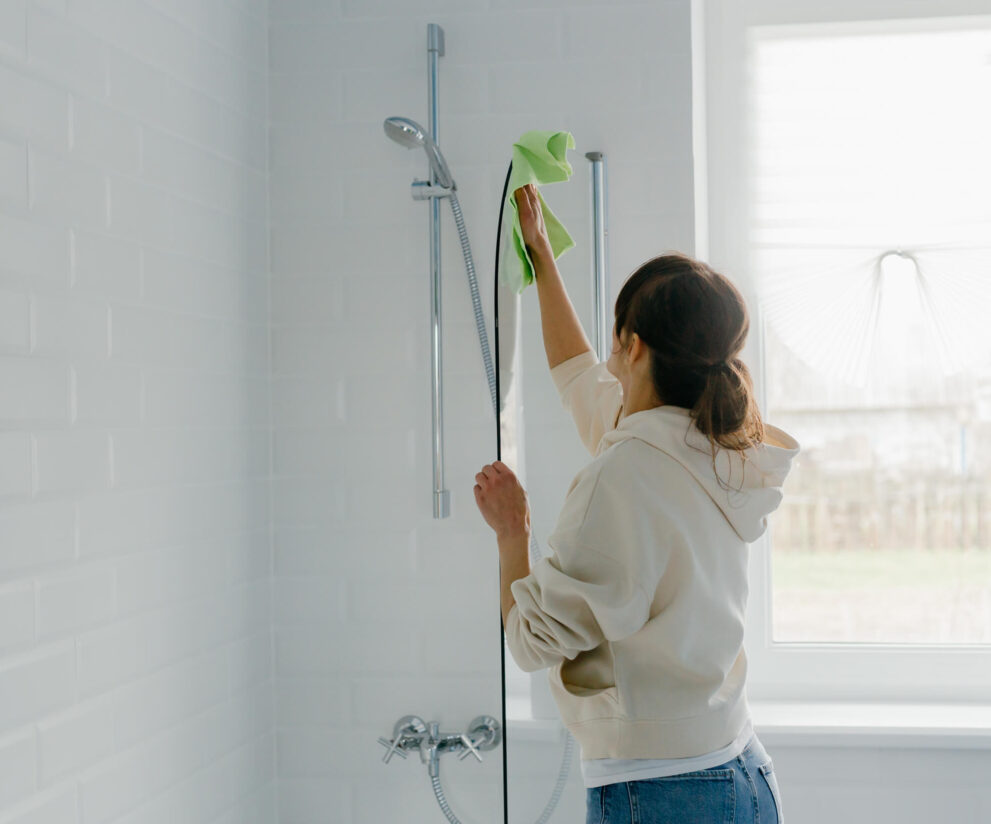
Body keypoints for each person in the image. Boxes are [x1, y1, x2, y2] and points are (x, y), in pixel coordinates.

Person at [473, 183, 800, 824]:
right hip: (743, 773)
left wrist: (513, 531)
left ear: (636, 347)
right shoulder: (716, 446)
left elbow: (531, 641)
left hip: (662, 792)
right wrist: (541, 258)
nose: (607, 353)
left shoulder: (621, 476)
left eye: (616, 338)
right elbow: (577, 375)